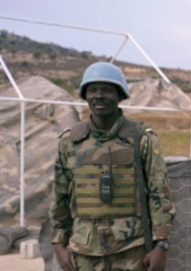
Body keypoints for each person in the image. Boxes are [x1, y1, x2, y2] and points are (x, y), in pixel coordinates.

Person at [49, 62, 176, 271]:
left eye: (107, 90)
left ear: (120, 95)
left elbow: (159, 194)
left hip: (132, 249)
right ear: (85, 95)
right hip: (84, 251)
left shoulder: (142, 139)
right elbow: (60, 196)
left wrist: (161, 244)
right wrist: (58, 243)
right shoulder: (69, 142)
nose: (99, 96)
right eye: (92, 90)